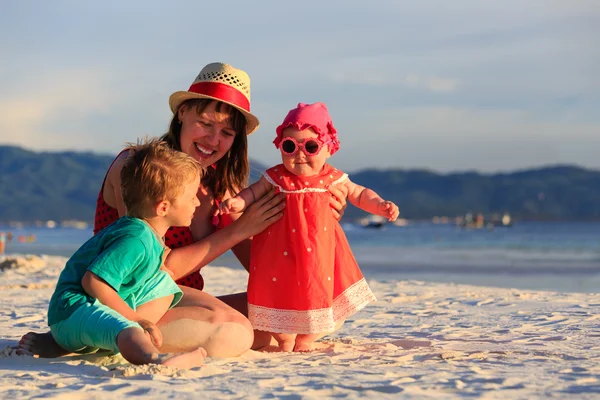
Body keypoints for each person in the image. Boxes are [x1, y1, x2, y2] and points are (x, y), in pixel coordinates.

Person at [18, 62, 348, 358]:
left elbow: (267, 268)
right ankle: (86, 337)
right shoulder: (139, 170)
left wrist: (315, 217)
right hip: (126, 295)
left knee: (277, 314)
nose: (213, 139)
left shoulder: (225, 187)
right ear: (182, 113)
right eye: (205, 123)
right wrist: (236, 231)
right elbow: (148, 268)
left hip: (176, 297)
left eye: (227, 132)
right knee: (236, 329)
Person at [218, 102, 399, 352]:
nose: (299, 155)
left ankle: (307, 337)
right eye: (290, 146)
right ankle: (283, 337)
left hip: (321, 253)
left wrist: (380, 205)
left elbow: (359, 193)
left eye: (310, 147)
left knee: (318, 289)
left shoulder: (333, 178)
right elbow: (252, 192)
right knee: (277, 290)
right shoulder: (275, 177)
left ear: (329, 149)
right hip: (279, 253)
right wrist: (238, 202)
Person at [46, 139, 207, 368]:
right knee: (127, 327)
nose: (198, 203)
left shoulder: (148, 235)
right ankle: (153, 358)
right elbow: (93, 281)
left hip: (91, 309)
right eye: (192, 197)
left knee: (165, 284)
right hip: (74, 308)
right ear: (163, 208)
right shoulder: (135, 239)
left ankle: (127, 336)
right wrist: (135, 319)